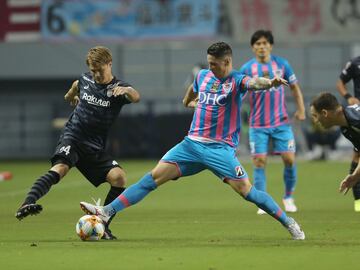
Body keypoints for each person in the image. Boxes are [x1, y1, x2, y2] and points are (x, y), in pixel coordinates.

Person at [79, 42, 305, 240]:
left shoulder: (237, 80)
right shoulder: (203, 75)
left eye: (214, 64)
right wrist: (188, 102)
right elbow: (191, 91)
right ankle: (106, 211)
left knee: (248, 192)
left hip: (219, 149)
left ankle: (289, 223)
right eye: (208, 63)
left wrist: (271, 83)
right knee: (152, 178)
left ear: (226, 62)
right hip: (190, 145)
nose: (210, 67)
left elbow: (255, 83)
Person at [15, 46, 140, 240]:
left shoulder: (118, 88)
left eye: (100, 70)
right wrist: (71, 96)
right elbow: (73, 89)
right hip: (73, 136)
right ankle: (27, 203)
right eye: (93, 70)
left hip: (94, 146)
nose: (97, 74)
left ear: (110, 64)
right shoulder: (85, 79)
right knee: (61, 168)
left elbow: (136, 96)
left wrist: (127, 90)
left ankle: (103, 224)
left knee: (119, 178)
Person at [239, 30, 306, 214]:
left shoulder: (282, 64)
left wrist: (301, 109)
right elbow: (237, 92)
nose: (261, 46)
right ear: (253, 47)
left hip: (281, 123)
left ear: (271, 45)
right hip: (257, 125)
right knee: (259, 161)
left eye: (265, 43)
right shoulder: (246, 69)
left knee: (289, 159)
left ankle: (288, 197)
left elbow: (294, 87)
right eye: (258, 43)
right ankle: (262, 201)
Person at [310, 92, 360, 197]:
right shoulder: (346, 128)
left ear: (324, 113)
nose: (315, 121)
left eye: (315, 116)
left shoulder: (356, 120)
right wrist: (355, 176)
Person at [336, 55, 360, 211]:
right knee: (357, 154)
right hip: (358, 114)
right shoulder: (354, 63)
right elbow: (340, 82)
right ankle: (358, 199)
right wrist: (349, 97)